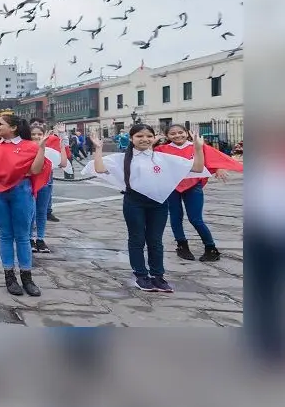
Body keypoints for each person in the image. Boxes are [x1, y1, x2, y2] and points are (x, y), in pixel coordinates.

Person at [84, 124, 208, 293]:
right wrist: (98, 148)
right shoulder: (122, 158)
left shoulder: (163, 158)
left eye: (148, 136)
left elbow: (197, 168)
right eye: (139, 136)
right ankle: (141, 275)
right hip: (134, 202)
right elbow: (99, 168)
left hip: (158, 203)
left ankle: (158, 275)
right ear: (131, 138)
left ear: (154, 137)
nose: (144, 139)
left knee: (155, 240)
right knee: (137, 238)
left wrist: (198, 148)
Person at [0, 114, 51, 296]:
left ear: (13, 127)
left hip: (21, 191)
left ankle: (27, 277)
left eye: (0, 124)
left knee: (23, 236)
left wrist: (42, 148)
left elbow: (35, 170)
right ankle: (9, 276)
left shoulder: (29, 146)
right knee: (5, 235)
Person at [155, 124, 244, 262]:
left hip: (193, 185)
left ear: (187, 133)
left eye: (180, 132)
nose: (177, 135)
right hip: (172, 187)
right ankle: (182, 245)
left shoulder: (197, 146)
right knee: (175, 216)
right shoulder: (161, 149)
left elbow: (213, 157)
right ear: (167, 136)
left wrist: (218, 168)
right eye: (173, 134)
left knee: (196, 219)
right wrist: (154, 140)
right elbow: (145, 155)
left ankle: (211, 248)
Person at [28, 124, 69, 253]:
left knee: (42, 211)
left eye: (39, 134)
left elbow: (63, 162)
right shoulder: (26, 148)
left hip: (45, 182)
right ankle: (29, 238)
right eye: (33, 134)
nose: (36, 136)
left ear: (44, 135)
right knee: (31, 212)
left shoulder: (50, 149)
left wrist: (62, 138)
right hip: (30, 182)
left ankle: (40, 238)